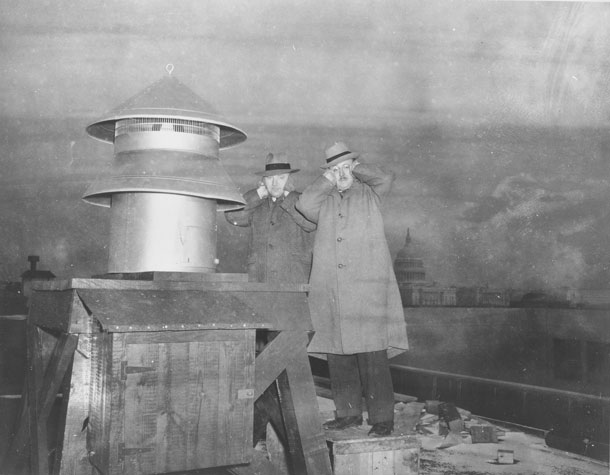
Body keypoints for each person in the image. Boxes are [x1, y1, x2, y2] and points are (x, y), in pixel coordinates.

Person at [296, 141, 408, 437]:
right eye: (336, 169)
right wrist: (328, 179)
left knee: (373, 356)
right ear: (329, 173)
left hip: (366, 290)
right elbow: (303, 205)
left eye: (346, 168)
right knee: (339, 354)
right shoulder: (325, 199)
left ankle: (383, 418)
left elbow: (386, 177)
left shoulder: (370, 192)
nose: (342, 173)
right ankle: (348, 414)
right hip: (332, 289)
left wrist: (354, 166)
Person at [225, 152, 316, 284]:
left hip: (294, 280)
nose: (275, 183)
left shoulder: (300, 201)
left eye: (281, 177)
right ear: (263, 181)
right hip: (261, 279)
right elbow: (232, 215)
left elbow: (310, 224)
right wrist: (257, 194)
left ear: (289, 179)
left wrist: (289, 198)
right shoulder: (257, 205)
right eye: (270, 178)